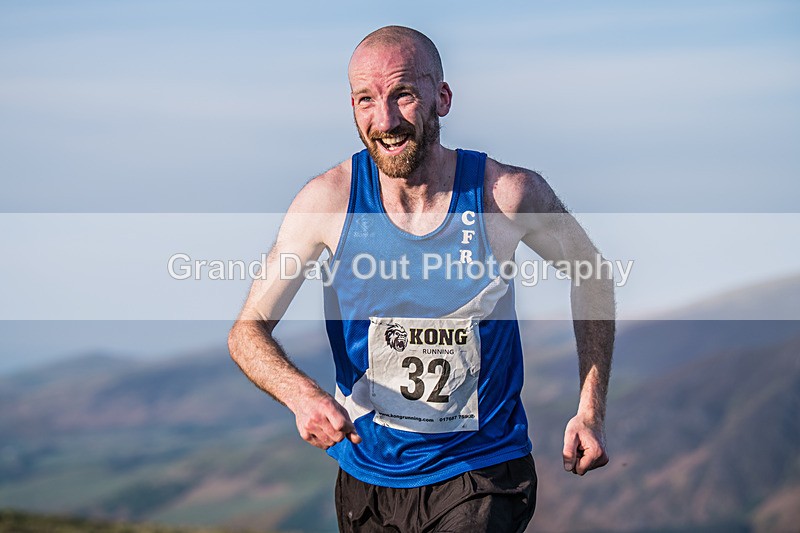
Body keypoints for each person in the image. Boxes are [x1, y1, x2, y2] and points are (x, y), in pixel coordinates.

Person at [228, 25, 614, 532]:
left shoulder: (506, 195)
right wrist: (302, 396)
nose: (384, 119)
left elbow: (593, 276)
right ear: (352, 107)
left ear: (443, 98)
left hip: (482, 472)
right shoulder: (328, 203)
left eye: (403, 94)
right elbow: (247, 331)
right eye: (366, 100)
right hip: (368, 477)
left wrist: (590, 411)